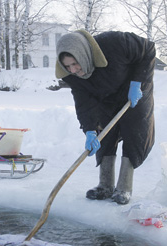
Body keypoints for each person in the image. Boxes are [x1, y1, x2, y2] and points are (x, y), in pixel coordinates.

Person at [55, 29, 155, 205]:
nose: (73, 69)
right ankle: (105, 185)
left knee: (134, 132)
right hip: (105, 97)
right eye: (68, 66)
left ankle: (124, 187)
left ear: (83, 54)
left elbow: (148, 50)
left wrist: (137, 83)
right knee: (104, 134)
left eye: (75, 63)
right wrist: (89, 130)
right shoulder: (72, 76)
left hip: (134, 91)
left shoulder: (115, 43)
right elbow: (83, 103)